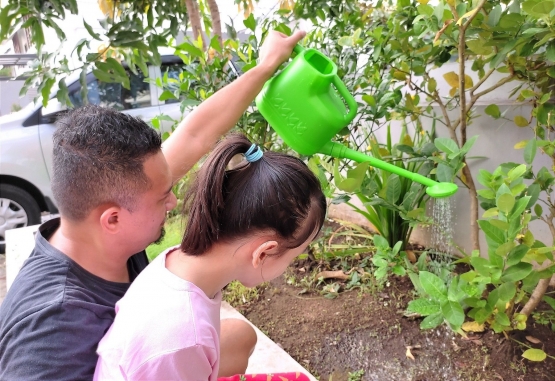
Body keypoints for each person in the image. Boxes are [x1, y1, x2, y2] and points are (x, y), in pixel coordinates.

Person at [0, 30, 306, 381]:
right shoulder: (55, 330)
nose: (173, 201)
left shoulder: (101, 220)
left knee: (239, 337)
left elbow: (195, 135)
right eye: (164, 197)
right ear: (112, 219)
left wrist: (266, 66)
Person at [93, 133, 327, 380]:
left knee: (241, 334)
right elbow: (179, 345)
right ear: (264, 253)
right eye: (294, 256)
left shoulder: (177, 261)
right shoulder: (183, 338)